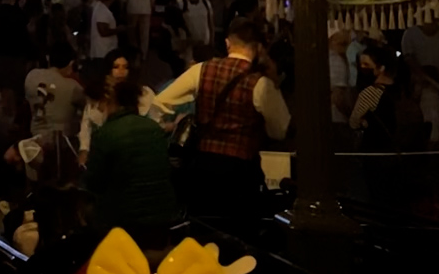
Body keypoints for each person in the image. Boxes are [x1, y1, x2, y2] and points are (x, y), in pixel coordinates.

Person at [149, 18, 290, 225]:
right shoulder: (261, 83)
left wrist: (164, 126)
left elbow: (160, 102)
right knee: (239, 228)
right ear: (258, 48)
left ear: (227, 43)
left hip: (203, 165)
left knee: (204, 226)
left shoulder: (201, 70)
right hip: (241, 170)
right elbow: (279, 130)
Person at [83, 77, 181, 244]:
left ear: (112, 102)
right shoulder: (154, 129)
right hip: (163, 213)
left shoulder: (106, 134)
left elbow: (94, 183)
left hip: (124, 218)